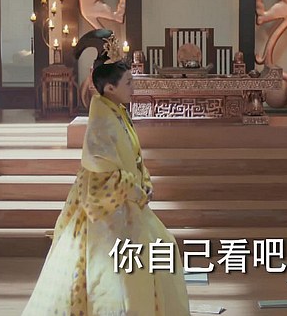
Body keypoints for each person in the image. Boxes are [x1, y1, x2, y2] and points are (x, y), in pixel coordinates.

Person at [23, 29, 190, 316]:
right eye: (128, 82)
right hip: (109, 213)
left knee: (158, 250)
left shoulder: (117, 111)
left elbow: (133, 157)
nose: (133, 87)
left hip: (129, 203)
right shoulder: (101, 122)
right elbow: (103, 177)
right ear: (110, 88)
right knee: (112, 276)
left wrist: (144, 180)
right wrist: (136, 189)